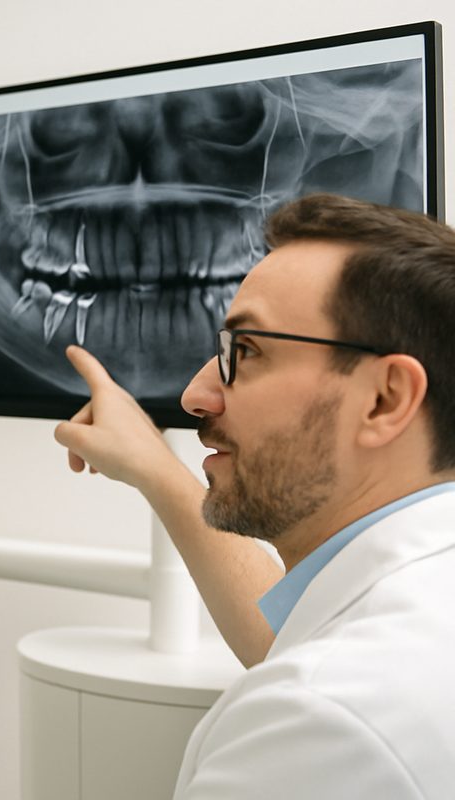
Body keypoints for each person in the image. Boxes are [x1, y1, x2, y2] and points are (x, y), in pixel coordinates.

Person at [53, 193, 455, 798]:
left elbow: (318, 670)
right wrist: (156, 469)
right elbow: (296, 633)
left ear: (385, 399)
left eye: (246, 352)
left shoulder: (326, 719)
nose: (194, 394)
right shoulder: (419, 600)